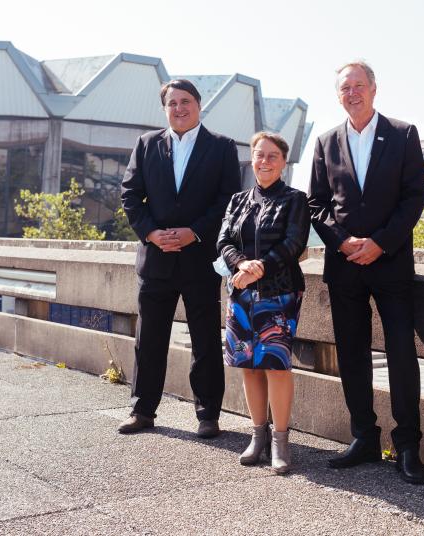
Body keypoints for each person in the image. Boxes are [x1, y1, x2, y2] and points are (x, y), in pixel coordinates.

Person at [307, 61, 424, 483]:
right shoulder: (325, 141)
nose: (353, 92)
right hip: (344, 266)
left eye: (360, 85)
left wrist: (380, 242)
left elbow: (413, 199)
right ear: (338, 94)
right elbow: (316, 204)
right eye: (345, 87)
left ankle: (409, 445)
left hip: (390, 262)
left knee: (400, 353)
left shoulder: (403, 134)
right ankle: (364, 437)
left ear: (374, 89)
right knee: (352, 353)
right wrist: (341, 241)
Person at [119, 79, 241, 438]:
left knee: (205, 339)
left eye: (185, 101)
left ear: (198, 105)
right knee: (150, 337)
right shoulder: (146, 144)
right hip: (156, 258)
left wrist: (194, 232)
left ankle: (208, 414)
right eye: (172, 103)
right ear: (165, 109)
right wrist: (152, 233)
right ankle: (142, 410)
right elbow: (130, 194)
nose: (179, 108)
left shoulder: (221, 147)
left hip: (199, 258)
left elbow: (228, 201)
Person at [217, 132, 310, 473]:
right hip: (241, 292)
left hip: (279, 293)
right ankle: (258, 435)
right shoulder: (237, 200)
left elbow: (293, 243)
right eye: (260, 155)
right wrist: (241, 264)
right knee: (248, 364)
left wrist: (259, 269)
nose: (265, 161)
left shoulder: (295, 199)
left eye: (273, 156)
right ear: (251, 159)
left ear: (284, 162)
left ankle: (281, 440)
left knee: (275, 364)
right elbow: (224, 240)